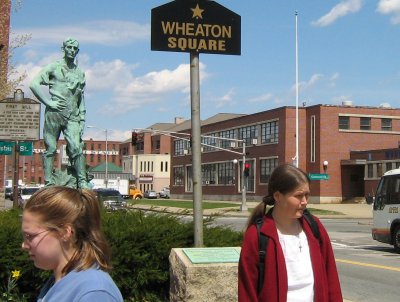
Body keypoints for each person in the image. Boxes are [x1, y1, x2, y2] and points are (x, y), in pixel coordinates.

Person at [238, 164, 342, 302]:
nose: (305, 202)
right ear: (278, 196)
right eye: (299, 196)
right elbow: (247, 293)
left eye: (307, 195)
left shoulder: (314, 227)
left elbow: (331, 279)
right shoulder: (257, 236)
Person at [21, 186, 123, 301]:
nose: (24, 245)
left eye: (30, 236)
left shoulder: (94, 292)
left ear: (65, 232)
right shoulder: (57, 281)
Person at [30, 37, 88, 188]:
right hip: (54, 113)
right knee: (50, 148)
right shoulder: (53, 67)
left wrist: (82, 118)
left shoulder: (80, 73)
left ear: (78, 51)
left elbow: (80, 96)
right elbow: (33, 84)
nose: (72, 51)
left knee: (76, 147)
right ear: (63, 49)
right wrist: (48, 102)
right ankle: (49, 182)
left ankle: (82, 181)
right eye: (69, 47)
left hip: (73, 115)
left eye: (75, 48)